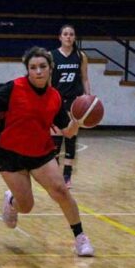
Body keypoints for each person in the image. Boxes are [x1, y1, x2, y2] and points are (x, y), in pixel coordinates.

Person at [0, 46, 94, 257]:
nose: (38, 71)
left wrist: (80, 120)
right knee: (27, 205)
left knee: (61, 191)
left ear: (51, 69)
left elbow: (67, 131)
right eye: (33, 68)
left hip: (40, 152)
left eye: (42, 67)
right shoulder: (13, 88)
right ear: (27, 70)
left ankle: (80, 238)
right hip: (10, 153)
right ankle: (12, 200)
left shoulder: (55, 97)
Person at [50, 24, 91, 188]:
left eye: (71, 34)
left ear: (74, 38)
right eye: (65, 34)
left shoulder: (80, 56)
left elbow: (85, 78)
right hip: (57, 101)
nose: (68, 37)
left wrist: (88, 97)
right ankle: (54, 175)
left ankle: (67, 175)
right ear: (59, 37)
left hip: (75, 102)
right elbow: (47, 80)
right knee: (56, 139)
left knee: (71, 138)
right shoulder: (51, 56)